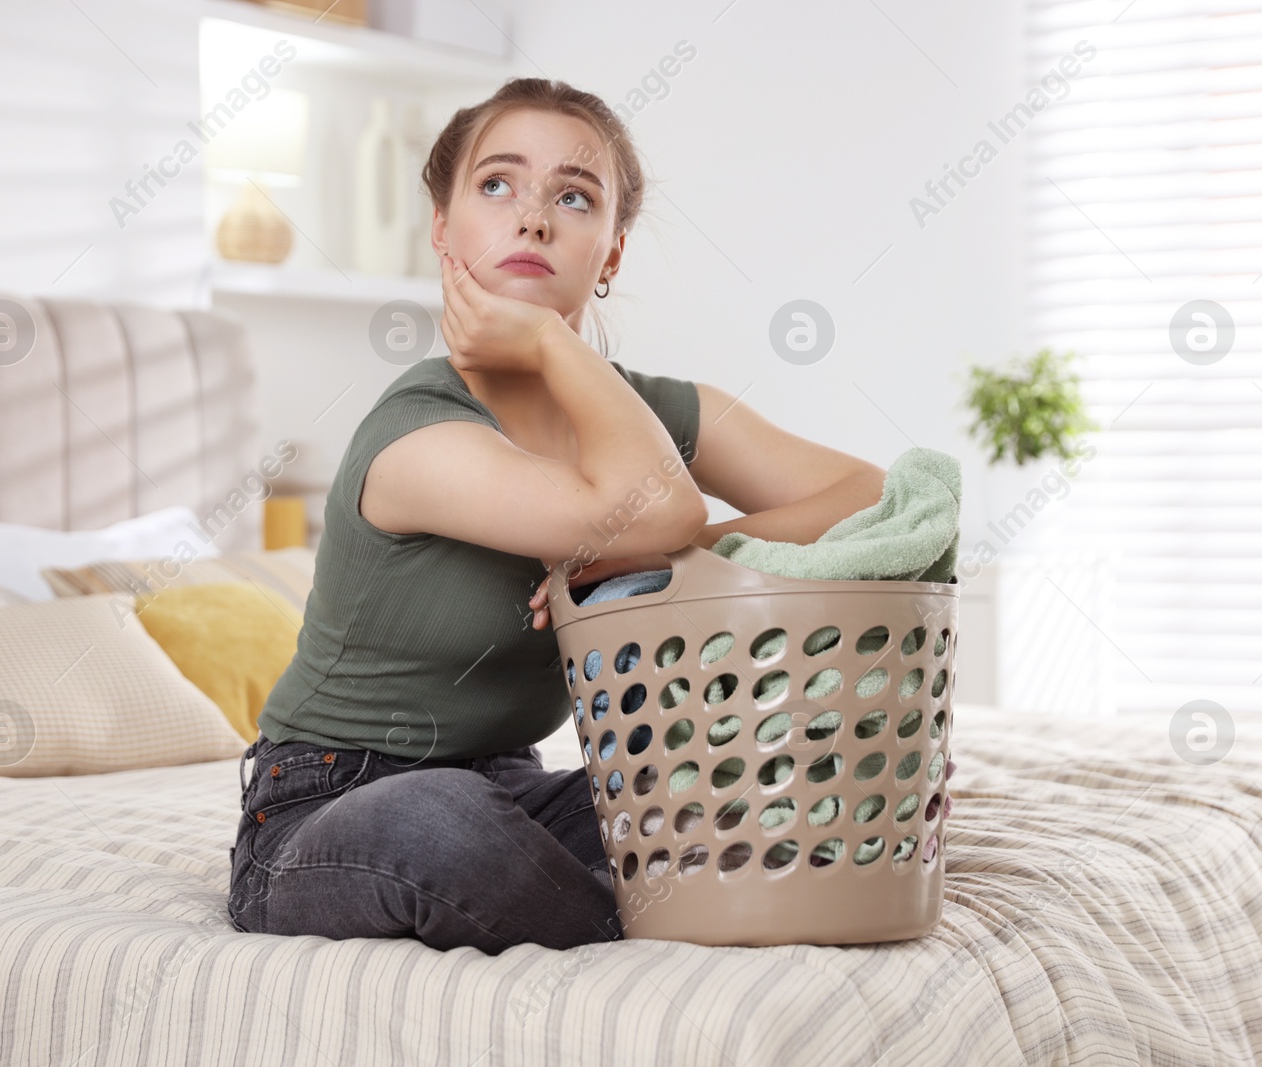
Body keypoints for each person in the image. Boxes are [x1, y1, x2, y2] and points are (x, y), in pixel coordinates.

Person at [227, 77, 886, 955]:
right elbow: (654, 508)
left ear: (610, 253)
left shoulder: (650, 420)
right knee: (441, 816)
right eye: (496, 186)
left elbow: (873, 500)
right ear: (443, 228)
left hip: (509, 791)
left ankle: (681, 896)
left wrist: (685, 557)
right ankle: (659, 936)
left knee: (729, 784)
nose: (532, 218)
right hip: (323, 809)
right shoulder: (416, 428)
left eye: (573, 197)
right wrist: (546, 338)